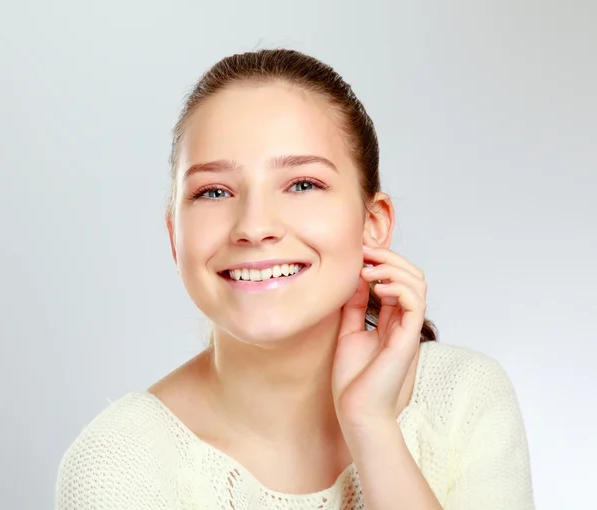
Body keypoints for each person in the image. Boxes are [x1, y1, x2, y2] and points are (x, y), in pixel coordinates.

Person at [55, 49, 535, 509]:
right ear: (174, 236)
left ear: (373, 221)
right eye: (214, 191)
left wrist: (371, 427)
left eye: (303, 184)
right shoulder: (117, 458)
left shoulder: (464, 397)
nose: (254, 226)